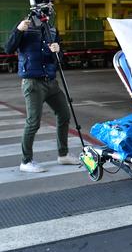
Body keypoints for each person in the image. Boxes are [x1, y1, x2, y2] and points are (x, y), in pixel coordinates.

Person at [5, 17, 78, 173]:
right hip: (33, 83)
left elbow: (59, 59)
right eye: (46, 5)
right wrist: (18, 30)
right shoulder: (24, 26)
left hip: (51, 81)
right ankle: (26, 161)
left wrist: (58, 51)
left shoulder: (51, 29)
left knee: (64, 114)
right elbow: (8, 48)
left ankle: (63, 154)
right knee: (33, 122)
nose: (49, 9)